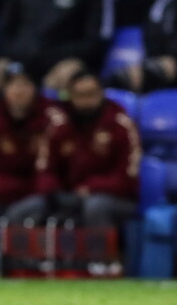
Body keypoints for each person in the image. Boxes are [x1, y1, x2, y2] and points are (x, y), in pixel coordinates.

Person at [0, 67, 65, 250]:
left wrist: (45, 190)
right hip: (2, 195)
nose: (18, 91)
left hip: (41, 195)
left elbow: (59, 164)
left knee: (20, 214)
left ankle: (16, 265)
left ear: (35, 89)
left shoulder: (54, 120)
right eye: (13, 85)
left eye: (25, 85)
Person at [29, 70, 141, 228]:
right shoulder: (59, 125)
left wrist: (89, 188)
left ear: (101, 94)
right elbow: (45, 168)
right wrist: (53, 191)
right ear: (71, 97)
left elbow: (127, 179)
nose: (86, 100)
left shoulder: (120, 125)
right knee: (27, 209)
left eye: (91, 94)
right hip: (70, 195)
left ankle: (103, 253)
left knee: (95, 206)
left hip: (116, 199)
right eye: (80, 95)